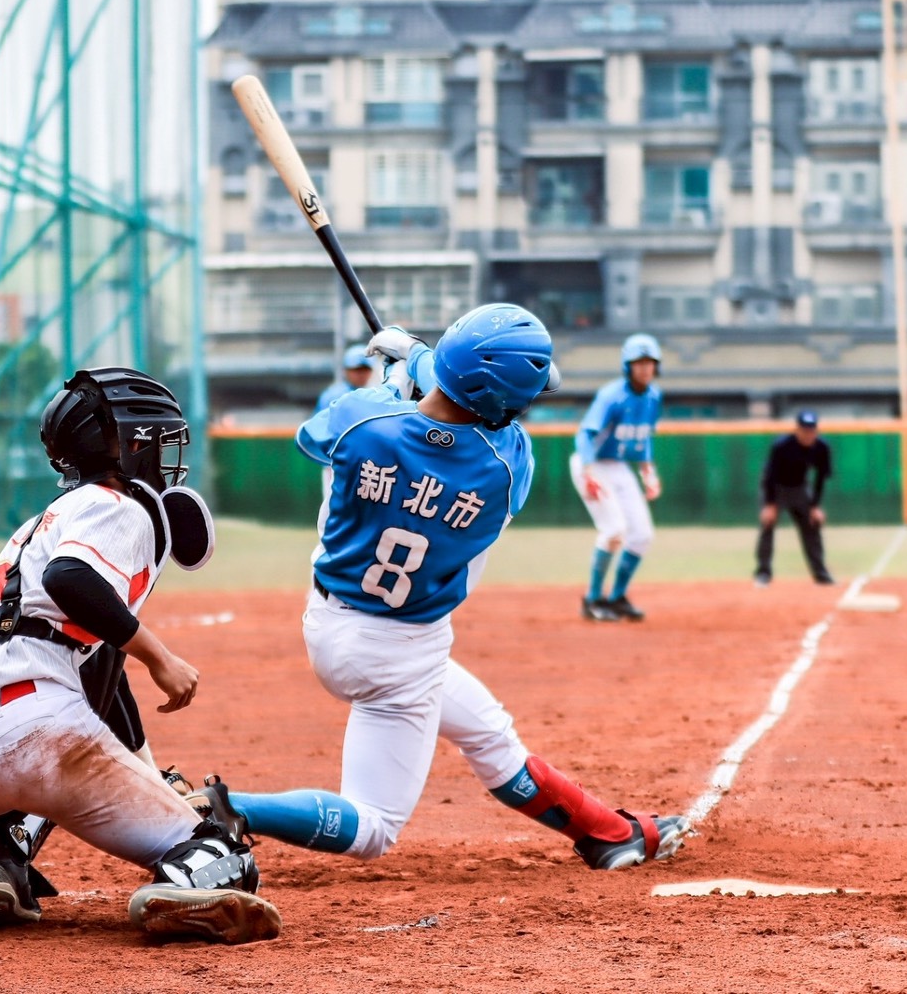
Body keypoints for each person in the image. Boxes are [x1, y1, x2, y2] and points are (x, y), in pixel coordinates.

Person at [190, 306, 689, 872]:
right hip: (402, 653)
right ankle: (232, 809)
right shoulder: (508, 466)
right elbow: (462, 413)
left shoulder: (360, 417)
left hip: (330, 624)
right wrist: (415, 357)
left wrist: (397, 378)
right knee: (374, 826)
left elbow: (334, 432)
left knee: (491, 737)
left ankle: (608, 835)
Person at [0, 368, 280, 944]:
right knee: (225, 856)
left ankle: (4, 853)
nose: (165, 454)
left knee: (40, 769)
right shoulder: (121, 507)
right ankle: (181, 887)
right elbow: (70, 579)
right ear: (131, 444)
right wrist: (159, 656)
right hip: (30, 732)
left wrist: (146, 773)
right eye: (158, 440)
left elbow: (100, 670)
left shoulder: (43, 521)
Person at [570, 333, 662, 622]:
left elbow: (644, 437)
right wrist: (588, 472)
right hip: (591, 464)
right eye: (639, 362)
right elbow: (585, 434)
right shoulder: (612, 395)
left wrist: (648, 471)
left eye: (650, 362)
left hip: (618, 466)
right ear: (628, 366)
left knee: (642, 536)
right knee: (614, 531)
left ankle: (618, 597)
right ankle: (592, 600)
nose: (645, 368)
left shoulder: (654, 396)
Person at [754, 410, 834, 587]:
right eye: (805, 430)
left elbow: (820, 478)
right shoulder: (782, 446)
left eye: (812, 430)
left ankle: (821, 574)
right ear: (797, 429)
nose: (808, 434)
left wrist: (815, 506)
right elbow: (770, 476)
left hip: (800, 488)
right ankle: (763, 573)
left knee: (812, 525)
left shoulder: (822, 447)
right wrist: (770, 505)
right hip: (776, 488)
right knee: (767, 526)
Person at [315, 347, 375, 413]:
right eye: (357, 370)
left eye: (366, 370)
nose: (362, 375)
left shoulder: (373, 394)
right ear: (346, 371)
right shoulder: (333, 396)